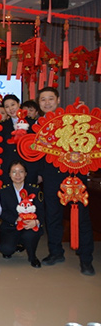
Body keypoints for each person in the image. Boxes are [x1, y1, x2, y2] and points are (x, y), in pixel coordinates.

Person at [37, 87, 94, 276]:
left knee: (81, 217)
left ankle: (86, 259)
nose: (47, 103)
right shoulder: (39, 125)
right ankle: (55, 252)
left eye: (50, 99)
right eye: (43, 99)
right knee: (52, 216)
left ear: (58, 100)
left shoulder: (73, 120)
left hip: (74, 175)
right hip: (50, 176)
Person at [0, 161, 44, 268]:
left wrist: (36, 222)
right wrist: (15, 219)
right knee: (6, 250)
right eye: (14, 172)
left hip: (29, 225)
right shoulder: (3, 191)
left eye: (21, 171)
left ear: (26, 173)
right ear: (9, 174)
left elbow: (41, 210)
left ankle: (32, 257)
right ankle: (16, 244)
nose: (17, 175)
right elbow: (2, 212)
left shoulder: (34, 189)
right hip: (11, 226)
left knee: (29, 235)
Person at [0, 95, 37, 185]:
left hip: (29, 167)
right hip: (9, 167)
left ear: (19, 104)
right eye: (7, 107)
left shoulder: (32, 123)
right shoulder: (2, 126)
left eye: (13, 105)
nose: (11, 109)